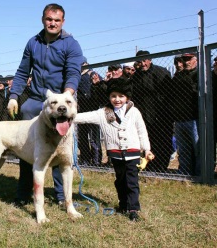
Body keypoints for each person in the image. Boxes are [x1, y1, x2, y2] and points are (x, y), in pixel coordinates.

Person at [7, 3, 85, 206]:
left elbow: (74, 72)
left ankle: (61, 196)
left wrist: (67, 96)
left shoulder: (71, 44)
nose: (52, 23)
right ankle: (23, 193)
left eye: (57, 20)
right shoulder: (33, 43)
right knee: (26, 146)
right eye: (49, 19)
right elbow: (23, 71)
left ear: (63, 22)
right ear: (43, 19)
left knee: (61, 149)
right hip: (35, 100)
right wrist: (14, 95)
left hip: (60, 99)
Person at [75, 78, 154, 221]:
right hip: (116, 155)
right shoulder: (103, 113)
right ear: (109, 97)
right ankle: (123, 204)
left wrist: (146, 149)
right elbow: (85, 117)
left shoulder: (134, 112)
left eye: (121, 96)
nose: (117, 99)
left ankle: (133, 208)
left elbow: (142, 131)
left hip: (133, 154)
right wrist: (66, 115)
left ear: (127, 97)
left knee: (132, 182)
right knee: (120, 180)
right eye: (113, 96)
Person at [132, 50, 173, 172]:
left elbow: (169, 95)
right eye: (140, 61)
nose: (143, 63)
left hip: (161, 115)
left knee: (163, 142)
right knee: (148, 143)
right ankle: (150, 166)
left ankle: (162, 167)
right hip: (144, 117)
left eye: (145, 60)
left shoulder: (161, 72)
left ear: (150, 60)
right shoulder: (136, 77)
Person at [171, 53, 200, 176]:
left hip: (195, 118)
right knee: (183, 150)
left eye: (189, 59)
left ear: (196, 60)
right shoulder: (178, 76)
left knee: (198, 149)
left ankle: (200, 174)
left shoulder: (200, 74)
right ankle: (184, 173)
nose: (186, 62)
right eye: (184, 60)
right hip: (179, 118)